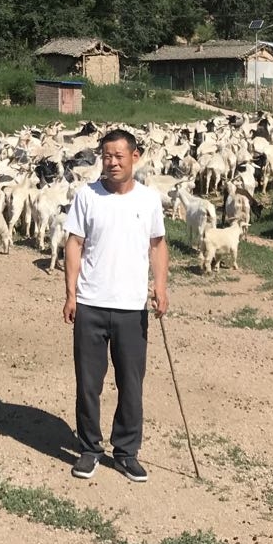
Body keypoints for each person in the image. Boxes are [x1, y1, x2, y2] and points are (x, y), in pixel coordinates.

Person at [62, 129, 168, 482]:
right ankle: (89, 448)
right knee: (88, 382)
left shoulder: (149, 199)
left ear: (135, 157)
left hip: (131, 305)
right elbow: (74, 243)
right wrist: (71, 293)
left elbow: (157, 244)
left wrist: (161, 286)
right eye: (107, 156)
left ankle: (126, 451)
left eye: (119, 156)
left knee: (131, 382)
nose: (112, 162)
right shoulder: (87, 196)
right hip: (91, 302)